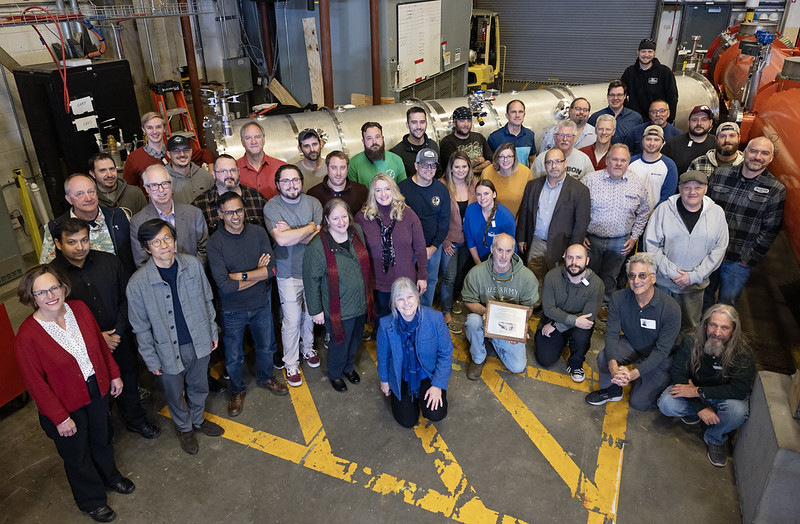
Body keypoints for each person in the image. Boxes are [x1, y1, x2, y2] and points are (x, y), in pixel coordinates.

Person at [15, 265, 134, 522]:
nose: (50, 296)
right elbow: (36, 384)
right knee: (76, 454)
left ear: (63, 287)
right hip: (64, 405)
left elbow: (100, 347)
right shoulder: (27, 335)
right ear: (31, 297)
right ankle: (91, 500)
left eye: (54, 287)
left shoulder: (79, 309)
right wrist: (59, 417)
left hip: (97, 390)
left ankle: (110, 477)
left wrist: (113, 373)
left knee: (102, 439)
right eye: (41, 292)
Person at [50, 218, 160, 440]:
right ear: (58, 244)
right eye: (72, 242)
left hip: (118, 337)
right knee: (94, 391)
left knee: (129, 380)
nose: (80, 247)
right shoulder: (51, 277)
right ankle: (104, 429)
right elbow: (53, 317)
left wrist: (118, 332)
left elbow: (128, 298)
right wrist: (96, 339)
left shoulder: (109, 262)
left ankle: (135, 420)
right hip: (81, 348)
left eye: (84, 240)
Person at [126, 219, 224, 455]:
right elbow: (140, 327)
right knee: (174, 393)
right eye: (156, 241)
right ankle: (184, 427)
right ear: (147, 248)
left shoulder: (192, 265)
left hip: (198, 340)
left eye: (167, 238)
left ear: (174, 239)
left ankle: (198, 420)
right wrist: (151, 359)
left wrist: (212, 331)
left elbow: (207, 300)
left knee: (199, 385)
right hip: (167, 350)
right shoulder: (138, 283)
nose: (164, 245)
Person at [207, 191, 287, 417]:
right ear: (220, 214)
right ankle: (237, 390)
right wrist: (256, 273)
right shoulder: (215, 243)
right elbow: (224, 285)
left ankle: (266, 378)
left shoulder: (258, 232)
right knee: (233, 357)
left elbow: (272, 270)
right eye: (229, 212)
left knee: (266, 347)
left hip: (261, 304)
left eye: (239, 210)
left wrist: (240, 275)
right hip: (232, 310)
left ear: (245, 210)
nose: (236, 216)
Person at [657, 304, 755, 468]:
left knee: (738, 412)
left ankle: (715, 437)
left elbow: (739, 389)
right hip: (694, 392)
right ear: (705, 324)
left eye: (724, 328)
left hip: (721, 395)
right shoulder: (691, 339)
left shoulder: (743, 352)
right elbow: (679, 372)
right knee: (666, 403)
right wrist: (699, 407)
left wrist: (697, 391)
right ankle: (698, 414)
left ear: (733, 330)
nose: (717, 333)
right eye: (713, 325)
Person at [585, 252, 681, 411]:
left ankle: (658, 379)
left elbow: (662, 350)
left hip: (660, 356)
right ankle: (613, 391)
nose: (636, 281)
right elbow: (612, 334)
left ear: (653, 278)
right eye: (632, 276)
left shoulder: (671, 309)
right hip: (633, 345)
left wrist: (635, 373)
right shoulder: (618, 298)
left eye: (642, 276)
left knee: (639, 402)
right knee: (604, 357)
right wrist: (613, 365)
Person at [704, 136, 785, 308]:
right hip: (709, 254)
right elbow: (703, 211)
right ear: (745, 152)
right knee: (703, 299)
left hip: (737, 261)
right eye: (754, 151)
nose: (758, 156)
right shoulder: (720, 174)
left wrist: (748, 259)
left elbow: (770, 229)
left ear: (771, 158)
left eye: (764, 153)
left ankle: (721, 335)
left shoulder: (775, 189)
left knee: (727, 306)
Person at [303, 199, 373, 392]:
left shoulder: (356, 231)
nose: (341, 222)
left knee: (355, 339)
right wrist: (316, 311)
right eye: (335, 218)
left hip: (360, 303)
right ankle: (335, 374)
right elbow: (311, 281)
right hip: (338, 309)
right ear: (327, 219)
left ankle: (348, 368)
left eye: (344, 216)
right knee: (339, 342)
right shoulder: (317, 247)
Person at [264, 165, 324, 387]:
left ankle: (307, 347)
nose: (292, 185)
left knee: (310, 314)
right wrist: (309, 227)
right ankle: (291, 362)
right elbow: (280, 241)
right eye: (286, 181)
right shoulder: (272, 207)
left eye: (295, 180)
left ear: (301, 181)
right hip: (288, 272)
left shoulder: (314, 203)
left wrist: (292, 231)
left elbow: (319, 238)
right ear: (278, 184)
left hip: (313, 270)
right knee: (291, 319)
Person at [645, 171, 728, 329]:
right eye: (687, 187)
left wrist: (694, 276)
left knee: (689, 327)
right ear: (680, 188)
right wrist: (673, 273)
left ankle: (685, 354)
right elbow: (651, 245)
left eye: (697, 187)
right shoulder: (663, 210)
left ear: (705, 189)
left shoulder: (717, 213)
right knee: (657, 324)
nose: (692, 192)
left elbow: (719, 249)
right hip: (664, 284)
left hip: (694, 287)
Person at [581, 144, 650, 316]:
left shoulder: (637, 184)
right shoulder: (590, 180)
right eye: (615, 159)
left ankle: (604, 305)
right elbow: (577, 209)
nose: (618, 163)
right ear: (607, 160)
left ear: (628, 162)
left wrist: (634, 237)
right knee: (586, 273)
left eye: (623, 160)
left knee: (610, 276)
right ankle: (583, 303)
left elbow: (643, 213)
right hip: (591, 239)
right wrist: (580, 234)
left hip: (620, 241)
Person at [377, 277, 452, 428]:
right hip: (402, 378)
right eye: (400, 299)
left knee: (436, 414)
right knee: (407, 422)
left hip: (427, 375)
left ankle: (427, 395)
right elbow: (383, 357)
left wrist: (437, 386)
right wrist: (384, 381)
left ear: (417, 297)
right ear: (394, 302)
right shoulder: (386, 325)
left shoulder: (435, 318)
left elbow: (445, 353)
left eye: (410, 296)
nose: (406, 303)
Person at [462, 233, 539, 378]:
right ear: (492, 249)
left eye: (508, 251)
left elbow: (528, 308)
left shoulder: (527, 277)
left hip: (510, 325)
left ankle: (494, 338)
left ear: (513, 251)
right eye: (500, 250)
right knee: (472, 321)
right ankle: (478, 357)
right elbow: (468, 300)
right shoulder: (476, 273)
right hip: (484, 318)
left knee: (517, 367)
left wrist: (518, 330)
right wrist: (488, 314)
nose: (504, 256)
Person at [355, 173, 428, 324]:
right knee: (382, 321)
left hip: (405, 280)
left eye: (387, 189)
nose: (383, 194)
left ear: (394, 190)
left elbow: (420, 248)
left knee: (406, 320)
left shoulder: (408, 214)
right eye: (378, 190)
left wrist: (422, 276)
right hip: (378, 282)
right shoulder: (363, 218)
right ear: (372, 193)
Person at [517, 148, 591, 287]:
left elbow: (581, 225)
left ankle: (552, 307)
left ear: (565, 163)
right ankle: (536, 306)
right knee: (534, 278)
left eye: (558, 161)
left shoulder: (580, 190)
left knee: (558, 281)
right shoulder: (533, 186)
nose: (554, 166)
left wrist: (572, 250)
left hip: (561, 245)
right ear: (545, 165)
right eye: (549, 162)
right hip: (536, 242)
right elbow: (525, 212)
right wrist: (521, 237)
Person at [534, 244, 603, 382]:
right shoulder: (552, 276)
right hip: (553, 320)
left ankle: (576, 364)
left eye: (579, 258)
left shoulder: (597, 284)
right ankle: (562, 341)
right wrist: (572, 320)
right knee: (544, 360)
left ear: (587, 261)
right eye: (570, 257)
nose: (574, 263)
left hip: (576, 325)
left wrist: (557, 325)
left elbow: (588, 317)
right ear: (564, 257)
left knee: (582, 335)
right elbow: (548, 309)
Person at [39, 174, 134, 275]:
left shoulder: (119, 216)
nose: (88, 198)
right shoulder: (55, 227)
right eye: (80, 194)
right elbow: (46, 270)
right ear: (69, 199)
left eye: (91, 191)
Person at [398, 148, 451, 307]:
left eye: (433, 166)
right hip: (408, 248)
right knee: (405, 280)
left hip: (431, 248)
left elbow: (444, 221)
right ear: (416, 165)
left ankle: (425, 311)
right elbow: (397, 221)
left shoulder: (441, 189)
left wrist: (434, 247)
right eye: (425, 165)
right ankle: (406, 311)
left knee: (430, 280)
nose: (429, 169)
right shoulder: (402, 188)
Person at [129, 164, 208, 268]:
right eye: (154, 185)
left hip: (193, 277)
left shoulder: (194, 214)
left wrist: (191, 274)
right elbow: (142, 263)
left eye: (164, 183)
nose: (161, 190)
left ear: (171, 185)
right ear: (147, 189)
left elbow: (204, 250)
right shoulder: (138, 222)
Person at [439, 151, 477, 333]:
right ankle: (446, 310)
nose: (461, 170)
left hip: (468, 241)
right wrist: (444, 240)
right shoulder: (442, 185)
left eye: (464, 166)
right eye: (457, 167)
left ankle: (455, 300)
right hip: (450, 241)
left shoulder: (474, 184)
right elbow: (436, 216)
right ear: (451, 169)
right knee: (448, 277)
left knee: (462, 273)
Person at [193, 154, 267, 235]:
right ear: (214, 174)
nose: (229, 175)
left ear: (238, 172)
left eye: (233, 170)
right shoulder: (200, 205)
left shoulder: (257, 197)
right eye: (223, 171)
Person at [621, 38, 678, 124]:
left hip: (657, 120)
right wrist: (627, 113)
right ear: (638, 52)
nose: (646, 55)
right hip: (635, 121)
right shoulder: (630, 72)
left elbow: (672, 98)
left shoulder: (664, 72)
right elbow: (621, 94)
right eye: (643, 51)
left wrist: (670, 119)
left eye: (650, 51)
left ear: (654, 53)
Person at [463, 179, 516, 264]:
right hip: (477, 258)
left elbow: (509, 248)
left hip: (501, 261)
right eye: (478, 194)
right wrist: (478, 263)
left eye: (486, 193)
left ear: (494, 194)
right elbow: (470, 239)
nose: (482, 198)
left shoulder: (506, 218)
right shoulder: (470, 210)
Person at [628, 125, 679, 211]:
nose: (652, 143)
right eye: (648, 139)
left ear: (662, 142)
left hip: (655, 216)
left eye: (656, 140)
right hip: (629, 214)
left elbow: (667, 197)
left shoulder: (669, 166)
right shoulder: (630, 162)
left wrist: (652, 214)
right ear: (642, 140)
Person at [237, 121, 286, 200]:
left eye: (257, 137)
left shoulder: (281, 167)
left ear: (263, 140)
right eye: (248, 138)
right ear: (242, 142)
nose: (254, 141)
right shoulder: (233, 169)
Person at [480, 142, 533, 216]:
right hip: (492, 219)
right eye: (501, 156)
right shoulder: (487, 172)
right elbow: (481, 200)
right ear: (497, 158)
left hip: (518, 220)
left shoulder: (526, 172)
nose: (505, 160)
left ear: (514, 157)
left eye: (509, 156)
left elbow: (529, 201)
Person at [661, 105, 716, 174]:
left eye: (704, 119)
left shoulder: (717, 144)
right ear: (688, 122)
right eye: (694, 120)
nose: (699, 123)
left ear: (710, 122)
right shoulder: (673, 144)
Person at [348, 121, 407, 185]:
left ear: (382, 138)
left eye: (377, 137)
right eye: (369, 138)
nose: (374, 142)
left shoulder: (396, 160)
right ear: (363, 141)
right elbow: (353, 193)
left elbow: (403, 189)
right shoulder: (353, 164)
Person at [88, 153, 146, 217]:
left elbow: (148, 219)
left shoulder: (135, 193)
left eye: (112, 169)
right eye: (102, 170)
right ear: (93, 174)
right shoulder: (89, 199)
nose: (109, 175)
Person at [438, 106, 492, 175]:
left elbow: (490, 162)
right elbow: (453, 167)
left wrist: (468, 169)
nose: (466, 124)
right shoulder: (447, 142)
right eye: (462, 121)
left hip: (481, 183)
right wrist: (480, 160)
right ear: (454, 123)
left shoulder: (479, 137)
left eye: (469, 121)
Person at [587, 79, 643, 145]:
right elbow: (589, 141)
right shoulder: (595, 118)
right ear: (607, 96)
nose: (615, 98)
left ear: (624, 96)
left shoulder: (635, 118)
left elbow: (639, 143)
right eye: (612, 95)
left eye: (619, 95)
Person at [390, 106, 441, 177]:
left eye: (422, 122)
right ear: (407, 125)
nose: (419, 127)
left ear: (426, 124)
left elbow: (439, 175)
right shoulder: (396, 153)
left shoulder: (433, 145)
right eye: (414, 122)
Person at [122, 112, 168, 190]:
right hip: (148, 202)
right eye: (149, 128)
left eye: (158, 127)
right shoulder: (133, 158)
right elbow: (128, 190)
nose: (155, 131)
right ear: (143, 129)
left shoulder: (175, 151)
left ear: (164, 128)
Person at [164, 135, 214, 205]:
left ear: (191, 152)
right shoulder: (161, 180)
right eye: (176, 151)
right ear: (169, 154)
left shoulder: (206, 177)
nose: (182, 154)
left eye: (185, 150)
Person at [487, 99, 537, 166]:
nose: (517, 115)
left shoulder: (529, 135)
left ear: (524, 115)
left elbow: (532, 160)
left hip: (524, 176)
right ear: (507, 115)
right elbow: (491, 163)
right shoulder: (494, 137)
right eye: (513, 112)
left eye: (520, 112)